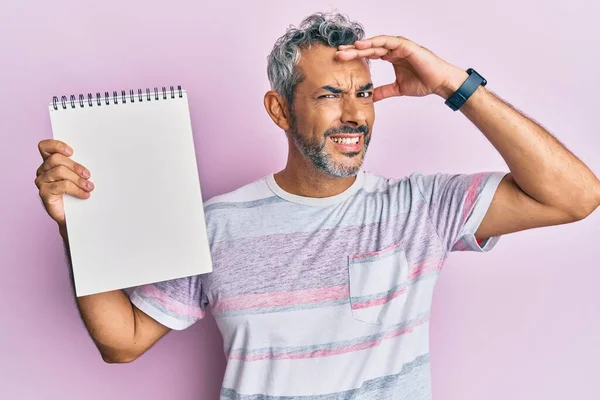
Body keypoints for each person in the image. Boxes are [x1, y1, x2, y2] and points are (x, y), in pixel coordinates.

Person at [35, 11, 599, 400]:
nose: (353, 112)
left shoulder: (420, 208)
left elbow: (577, 196)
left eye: (362, 93)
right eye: (329, 94)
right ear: (280, 111)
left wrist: (455, 83)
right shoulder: (215, 226)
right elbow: (121, 341)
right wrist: (75, 225)